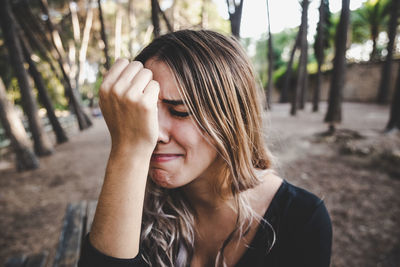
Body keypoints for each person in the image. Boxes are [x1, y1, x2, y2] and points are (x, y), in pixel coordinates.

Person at [78, 30, 332, 267]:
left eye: (180, 112)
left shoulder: (302, 220)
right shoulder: (133, 204)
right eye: (143, 113)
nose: (152, 133)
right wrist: (127, 153)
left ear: (232, 118)